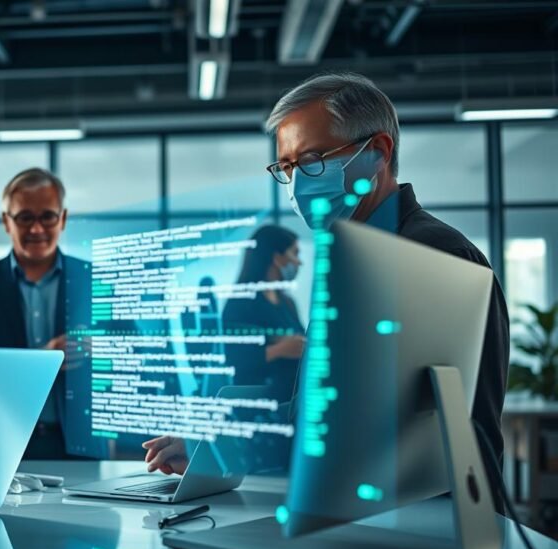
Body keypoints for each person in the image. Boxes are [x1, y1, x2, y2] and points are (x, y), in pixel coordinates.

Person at [146, 74, 510, 510]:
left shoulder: (430, 256)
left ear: (377, 152)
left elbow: (391, 429)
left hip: (423, 523)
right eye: (287, 168)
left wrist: (230, 442)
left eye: (313, 160)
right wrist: (216, 444)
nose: (298, 182)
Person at [0, 167, 92, 460]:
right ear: (6, 221)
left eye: (47, 216)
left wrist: (103, 349)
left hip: (80, 440)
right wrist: (41, 360)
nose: (36, 229)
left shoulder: (94, 280)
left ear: (62, 219)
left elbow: (131, 351)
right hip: (0, 439)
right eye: (24, 217)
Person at [222, 225, 306, 403]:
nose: (299, 262)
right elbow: (233, 358)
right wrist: (280, 350)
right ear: (277, 258)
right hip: (262, 398)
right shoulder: (240, 303)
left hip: (294, 393)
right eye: (295, 253)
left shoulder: (287, 303)